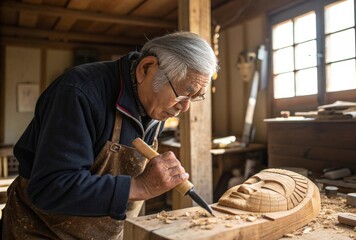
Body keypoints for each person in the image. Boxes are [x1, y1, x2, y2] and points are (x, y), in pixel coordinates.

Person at [1, 31, 218, 239]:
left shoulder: (155, 107)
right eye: (183, 94)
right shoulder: (78, 92)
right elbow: (50, 187)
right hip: (41, 231)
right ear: (146, 68)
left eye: (196, 97)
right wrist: (141, 186)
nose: (185, 107)